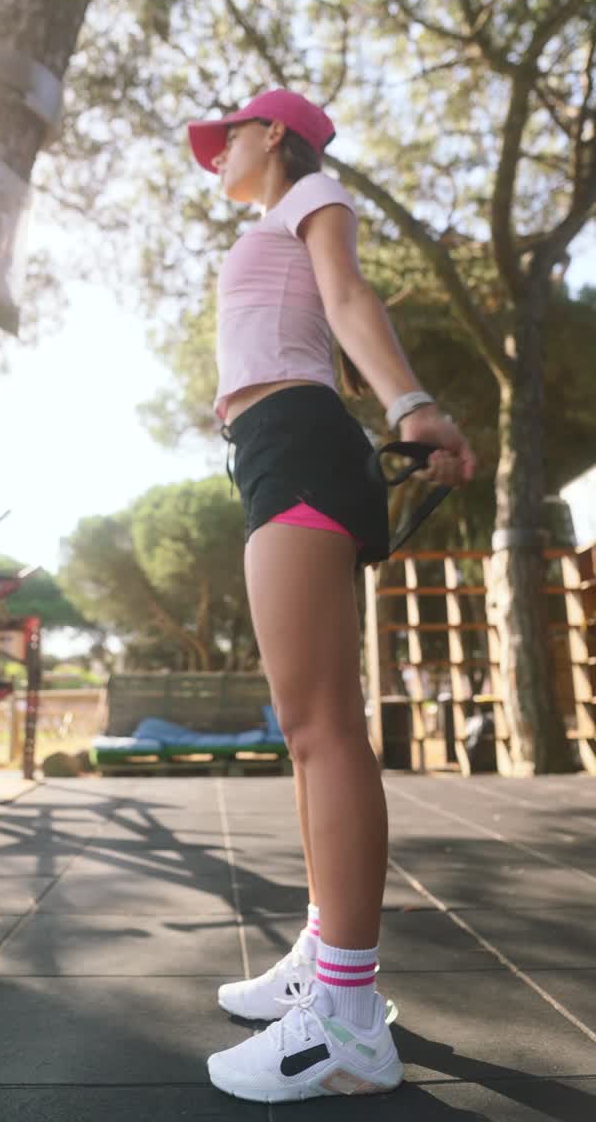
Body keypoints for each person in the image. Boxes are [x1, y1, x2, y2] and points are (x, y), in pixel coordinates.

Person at [187, 88, 475, 1104]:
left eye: (227, 138)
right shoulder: (273, 218)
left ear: (273, 133)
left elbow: (352, 300)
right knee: (311, 726)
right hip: (277, 448)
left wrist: (414, 405)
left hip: (301, 445)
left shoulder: (317, 194)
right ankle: (325, 952)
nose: (215, 156)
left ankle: (349, 1016)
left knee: (321, 727)